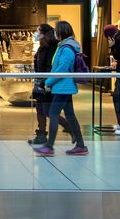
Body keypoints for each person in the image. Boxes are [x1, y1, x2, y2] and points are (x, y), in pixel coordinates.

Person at [33, 21, 88, 157]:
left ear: (61, 32)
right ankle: (80, 145)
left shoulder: (67, 48)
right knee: (70, 115)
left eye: (57, 30)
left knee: (53, 114)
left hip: (63, 87)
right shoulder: (63, 47)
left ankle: (49, 147)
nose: (55, 33)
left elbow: (62, 69)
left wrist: (48, 82)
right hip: (63, 87)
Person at [28, 23, 71, 146]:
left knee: (47, 111)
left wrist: (44, 82)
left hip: (46, 84)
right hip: (40, 82)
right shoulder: (42, 47)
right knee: (40, 109)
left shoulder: (52, 48)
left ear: (44, 33)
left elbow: (50, 68)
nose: (36, 33)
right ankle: (41, 134)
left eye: (38, 31)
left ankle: (68, 126)